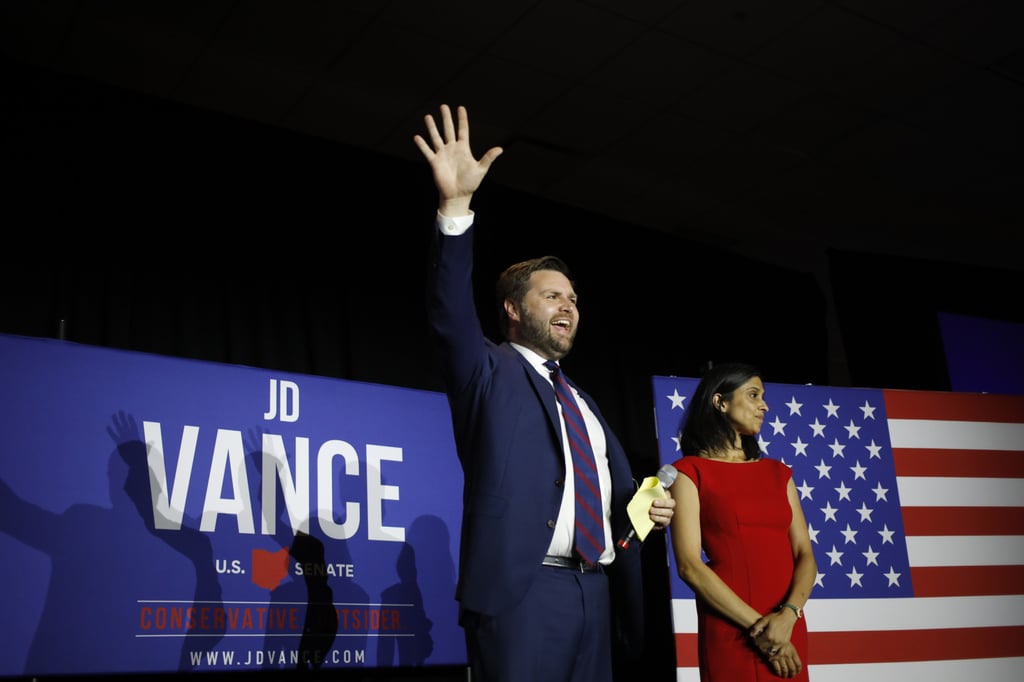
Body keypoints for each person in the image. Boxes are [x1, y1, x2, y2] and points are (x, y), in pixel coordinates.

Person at [413, 103, 676, 682]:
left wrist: (644, 515)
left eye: (574, 299)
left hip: (598, 593)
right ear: (513, 309)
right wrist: (456, 208)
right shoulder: (487, 369)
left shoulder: (583, 403)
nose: (568, 305)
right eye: (552, 296)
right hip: (522, 596)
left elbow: (608, 506)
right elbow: (448, 312)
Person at [668, 362, 817, 680]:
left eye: (763, 396)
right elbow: (689, 566)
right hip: (733, 629)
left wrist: (788, 615)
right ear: (720, 402)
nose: (764, 405)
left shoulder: (779, 473)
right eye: (753, 395)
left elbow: (805, 553)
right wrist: (762, 631)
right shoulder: (688, 472)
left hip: (787, 628)